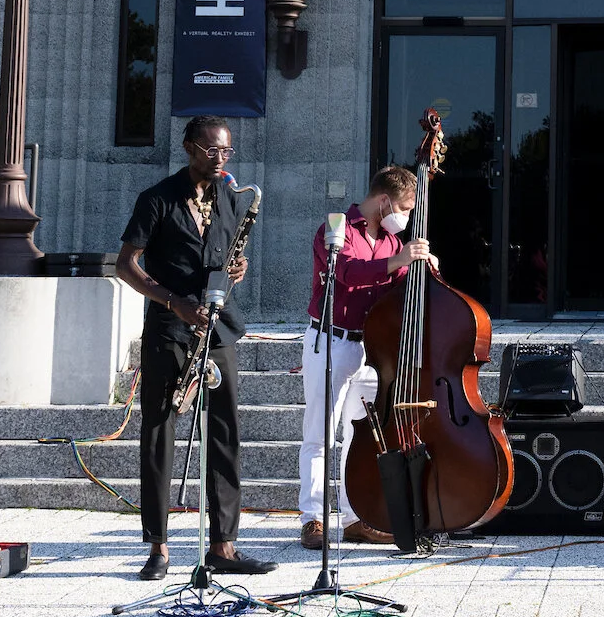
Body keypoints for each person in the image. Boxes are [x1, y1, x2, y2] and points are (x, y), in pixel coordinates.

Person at [115, 116, 275, 581]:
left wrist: (236, 268)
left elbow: (225, 257)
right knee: (159, 433)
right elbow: (127, 264)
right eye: (212, 151)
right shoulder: (157, 199)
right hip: (170, 326)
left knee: (225, 434)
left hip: (217, 328)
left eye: (226, 152)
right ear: (189, 148)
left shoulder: (230, 197)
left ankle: (224, 545)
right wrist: (173, 302)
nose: (221, 160)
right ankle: (158, 548)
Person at [297, 166, 434, 550]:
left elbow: (397, 282)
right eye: (405, 208)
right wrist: (398, 261)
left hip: (371, 350)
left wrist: (423, 269)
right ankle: (312, 519)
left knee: (360, 436)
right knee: (320, 433)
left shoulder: (391, 242)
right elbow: (347, 273)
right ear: (384, 201)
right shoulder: (335, 227)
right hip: (332, 340)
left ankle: (356, 517)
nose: (405, 217)